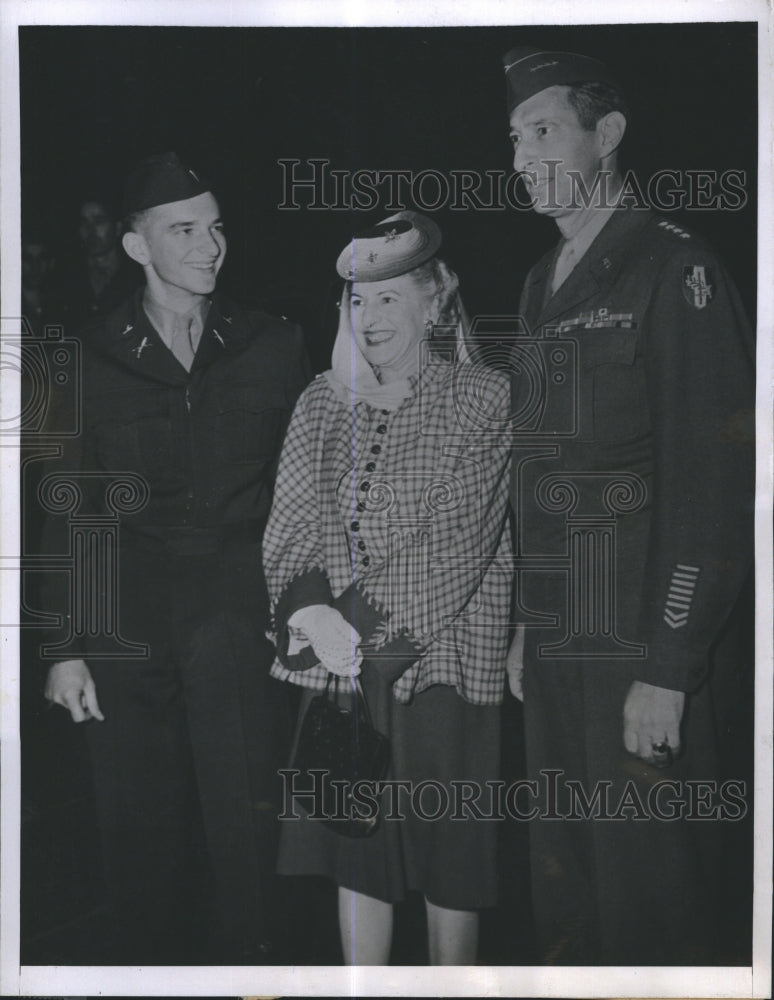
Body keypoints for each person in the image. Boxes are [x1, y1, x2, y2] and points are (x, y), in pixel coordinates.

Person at [501, 47, 755, 964]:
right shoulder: (540, 284)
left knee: (654, 904)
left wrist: (670, 664)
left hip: (641, 650)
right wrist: (530, 621)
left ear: (606, 136)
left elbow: (713, 487)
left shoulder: (674, 270)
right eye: (514, 138)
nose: (524, 157)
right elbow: (538, 473)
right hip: (561, 646)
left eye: (545, 132)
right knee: (567, 893)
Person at [41, 152, 311, 963]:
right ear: (135, 247)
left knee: (251, 840)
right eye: (184, 229)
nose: (210, 244)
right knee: (139, 844)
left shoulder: (274, 342)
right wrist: (66, 649)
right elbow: (70, 510)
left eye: (217, 226)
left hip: (240, 613)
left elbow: (305, 493)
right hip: (127, 626)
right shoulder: (85, 358)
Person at [262, 211, 513, 965]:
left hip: (440, 673)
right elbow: (291, 521)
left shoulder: (482, 398)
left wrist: (353, 635)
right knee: (355, 858)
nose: (370, 319)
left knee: (450, 870)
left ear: (436, 301)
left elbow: (456, 547)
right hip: (339, 673)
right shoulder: (319, 402)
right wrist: (310, 611)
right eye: (357, 300)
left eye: (391, 297)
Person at [47, 193, 142, 334]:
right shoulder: (65, 275)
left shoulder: (136, 277)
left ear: (117, 227)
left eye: (99, 221)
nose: (90, 230)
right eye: (84, 222)